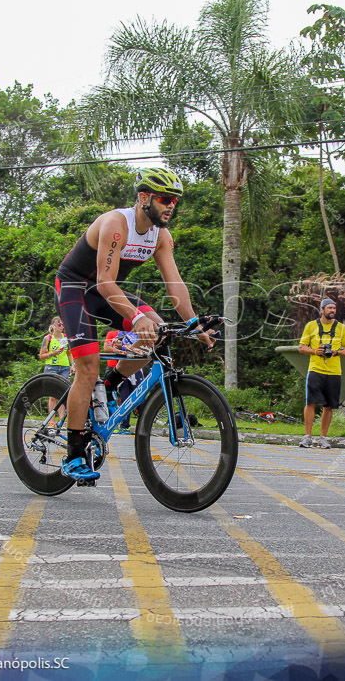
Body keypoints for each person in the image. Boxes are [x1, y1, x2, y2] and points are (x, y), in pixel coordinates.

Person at [54, 167, 212, 481]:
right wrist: (136, 317)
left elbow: (175, 284)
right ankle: (73, 456)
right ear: (144, 198)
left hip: (106, 292)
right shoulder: (116, 225)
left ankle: (108, 387)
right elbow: (104, 282)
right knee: (87, 367)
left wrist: (194, 323)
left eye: (175, 201)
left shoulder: (162, 236)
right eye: (165, 199)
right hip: (76, 288)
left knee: (159, 334)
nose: (171, 206)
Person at [297, 298, 345, 448]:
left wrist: (337, 352)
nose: (332, 311)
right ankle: (308, 436)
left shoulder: (342, 328)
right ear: (322, 310)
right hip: (315, 369)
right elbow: (301, 347)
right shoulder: (311, 326)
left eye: (334, 308)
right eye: (329, 308)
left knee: (329, 406)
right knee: (310, 402)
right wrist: (316, 351)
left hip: (334, 371)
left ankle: (323, 437)